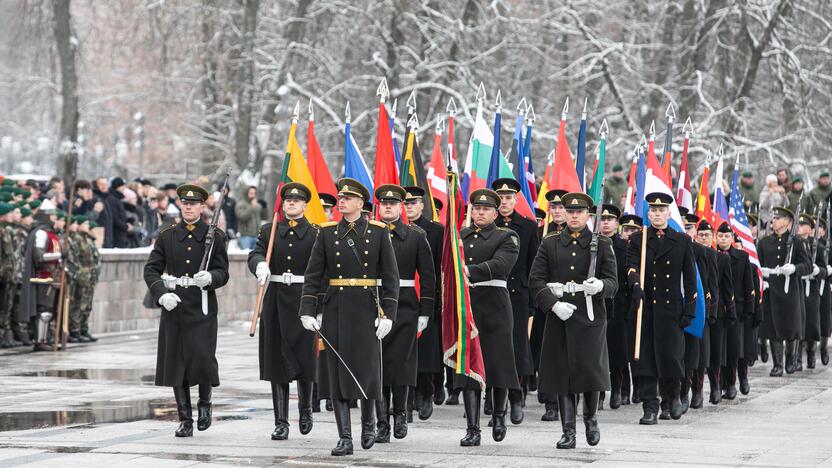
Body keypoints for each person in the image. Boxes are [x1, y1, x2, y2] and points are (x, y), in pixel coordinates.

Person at [298, 177, 400, 457]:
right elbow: (313, 275)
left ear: (360, 203)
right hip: (336, 310)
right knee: (337, 374)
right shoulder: (327, 232)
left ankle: (369, 424)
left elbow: (390, 278)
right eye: (340, 198)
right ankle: (345, 436)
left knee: (366, 371)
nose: (340, 201)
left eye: (347, 198)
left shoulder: (379, 232)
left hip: (367, 309)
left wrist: (388, 314)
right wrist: (308, 310)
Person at [529, 192, 617, 449]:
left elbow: (613, 282)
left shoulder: (601, 244)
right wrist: (553, 305)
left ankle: (590, 418)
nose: (575, 216)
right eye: (570, 212)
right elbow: (536, 280)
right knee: (562, 374)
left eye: (579, 212)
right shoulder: (551, 243)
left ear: (588, 215)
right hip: (561, 314)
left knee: (589, 372)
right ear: (564, 214)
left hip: (589, 315)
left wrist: (600, 285)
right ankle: (569, 431)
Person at [143, 183, 230, 438]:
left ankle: (205, 404)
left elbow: (223, 273)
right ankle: (185, 418)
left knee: (202, 357)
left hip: (201, 303)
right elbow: (151, 269)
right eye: (185, 203)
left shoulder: (216, 236)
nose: (188, 207)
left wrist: (211, 277)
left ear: (203, 207)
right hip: (175, 303)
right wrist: (161, 294)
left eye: (194, 204)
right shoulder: (168, 234)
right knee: (176, 361)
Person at [248, 182, 320, 441]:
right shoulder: (270, 230)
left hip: (303, 301)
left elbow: (322, 270)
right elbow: (255, 253)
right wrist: (259, 265)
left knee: (305, 360)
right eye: (288, 199)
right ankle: (281, 422)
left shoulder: (314, 233)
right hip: (276, 300)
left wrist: (317, 306)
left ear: (304, 205)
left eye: (297, 200)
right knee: (276, 361)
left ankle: (305, 411)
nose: (291, 203)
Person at [625, 193, 697, 425]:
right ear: (648, 214)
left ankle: (671, 398)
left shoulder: (682, 240)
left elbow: (690, 279)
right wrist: (635, 284)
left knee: (671, 357)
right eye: (653, 210)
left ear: (668, 213)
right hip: (645, 308)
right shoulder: (638, 239)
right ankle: (649, 406)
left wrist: (690, 309)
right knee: (645, 359)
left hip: (671, 309)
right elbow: (631, 265)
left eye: (661, 210)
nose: (657, 214)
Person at [456, 188, 520, 446]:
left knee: (498, 364)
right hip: (467, 306)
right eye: (476, 208)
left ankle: (499, 414)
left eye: (486, 209)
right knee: (469, 369)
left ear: (495, 212)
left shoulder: (506, 236)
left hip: (494, 305)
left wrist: (468, 270)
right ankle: (472, 428)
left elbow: (501, 264)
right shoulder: (461, 236)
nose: (480, 212)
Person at [372, 184, 435, 442]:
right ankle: (382, 423)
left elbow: (429, 277)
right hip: (375, 304)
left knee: (401, 364)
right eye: (384, 203)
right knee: (377, 366)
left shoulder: (416, 236)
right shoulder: (371, 234)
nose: (388, 207)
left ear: (401, 207)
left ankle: (400, 414)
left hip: (406, 305)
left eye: (393, 203)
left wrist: (425, 311)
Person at [492, 178, 539, 424]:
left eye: (509, 198)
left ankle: (516, 397)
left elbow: (534, 266)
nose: (504, 202)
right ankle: (496, 399)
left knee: (518, 348)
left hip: (519, 296)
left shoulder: (529, 227)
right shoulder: (489, 226)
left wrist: (532, 301)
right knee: (496, 348)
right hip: (494, 296)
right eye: (500, 198)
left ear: (516, 199)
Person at [402, 186, 446, 415]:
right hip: (403, 296)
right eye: (405, 203)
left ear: (421, 205)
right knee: (403, 351)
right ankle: (406, 400)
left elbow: (439, 269)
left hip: (427, 296)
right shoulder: (391, 230)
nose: (409, 206)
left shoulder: (436, 231)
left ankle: (426, 392)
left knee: (427, 351)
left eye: (413, 203)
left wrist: (437, 302)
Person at [758, 206, 811, 377]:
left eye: (778, 218)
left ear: (787, 221)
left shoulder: (797, 242)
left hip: (790, 290)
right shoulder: (764, 243)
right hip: (772, 288)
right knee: (774, 326)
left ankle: (791, 361)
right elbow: (757, 265)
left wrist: (794, 268)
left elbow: (807, 266)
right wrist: (762, 277)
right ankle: (777, 364)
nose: (773, 221)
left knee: (791, 326)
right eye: (773, 218)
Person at [531, 188, 567, 422]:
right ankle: (550, 401)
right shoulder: (539, 232)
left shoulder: (584, 235)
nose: (556, 211)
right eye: (553, 207)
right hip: (545, 301)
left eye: (560, 207)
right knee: (546, 354)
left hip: (571, 300)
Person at [697, 219, 735, 406]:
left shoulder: (722, 258)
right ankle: (697, 390)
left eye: (707, 235)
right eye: (701, 235)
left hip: (717, 311)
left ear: (712, 237)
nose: (704, 238)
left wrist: (731, 311)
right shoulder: (693, 255)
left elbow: (728, 288)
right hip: (698, 311)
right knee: (701, 351)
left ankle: (715, 387)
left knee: (716, 352)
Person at [19, 199, 64, 352]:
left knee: (49, 310)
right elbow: (38, 256)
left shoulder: (51, 234)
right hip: (43, 276)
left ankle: (45, 338)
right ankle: (39, 340)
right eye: (51, 215)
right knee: (43, 310)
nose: (54, 218)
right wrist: (59, 254)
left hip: (53, 276)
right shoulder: (41, 233)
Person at [682, 213, 716, 412]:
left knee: (698, 354)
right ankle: (682, 391)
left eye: (689, 228)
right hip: (679, 307)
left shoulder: (703, 252)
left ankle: (697, 390)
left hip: (700, 309)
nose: (686, 231)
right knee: (682, 352)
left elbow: (712, 284)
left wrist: (710, 312)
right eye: (683, 227)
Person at [716, 222, 753, 400]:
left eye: (726, 236)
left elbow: (748, 284)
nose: (723, 239)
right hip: (717, 308)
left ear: (732, 238)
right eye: (720, 236)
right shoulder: (712, 254)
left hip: (736, 308)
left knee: (732, 349)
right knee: (719, 348)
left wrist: (748, 308)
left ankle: (731, 383)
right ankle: (721, 384)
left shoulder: (742, 257)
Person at [599, 205, 630, 410]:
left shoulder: (624, 247)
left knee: (618, 351)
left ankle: (618, 389)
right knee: (598, 351)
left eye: (610, 219)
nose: (606, 222)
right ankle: (599, 392)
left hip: (619, 304)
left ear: (617, 224)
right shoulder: (594, 244)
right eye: (602, 219)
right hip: (597, 302)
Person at [796, 213, 825, 370]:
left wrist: (816, 271)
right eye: (798, 225)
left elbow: (824, 270)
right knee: (799, 321)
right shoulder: (793, 244)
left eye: (803, 225)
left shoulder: (817, 247)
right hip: (799, 285)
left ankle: (811, 352)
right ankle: (797, 358)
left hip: (811, 288)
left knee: (812, 322)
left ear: (809, 229)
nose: (799, 228)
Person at [104, 177, 132, 248]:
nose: (124, 188)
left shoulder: (117, 199)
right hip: (116, 235)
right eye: (122, 186)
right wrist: (125, 226)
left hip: (120, 234)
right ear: (117, 186)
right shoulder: (112, 199)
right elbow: (114, 217)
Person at [235, 186, 263, 250]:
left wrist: (264, 207)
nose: (253, 195)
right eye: (251, 193)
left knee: (255, 257)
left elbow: (264, 217)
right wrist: (251, 207)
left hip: (257, 236)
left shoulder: (257, 205)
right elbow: (242, 217)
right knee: (245, 258)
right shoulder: (240, 204)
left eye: (254, 193)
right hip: (245, 237)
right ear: (246, 193)